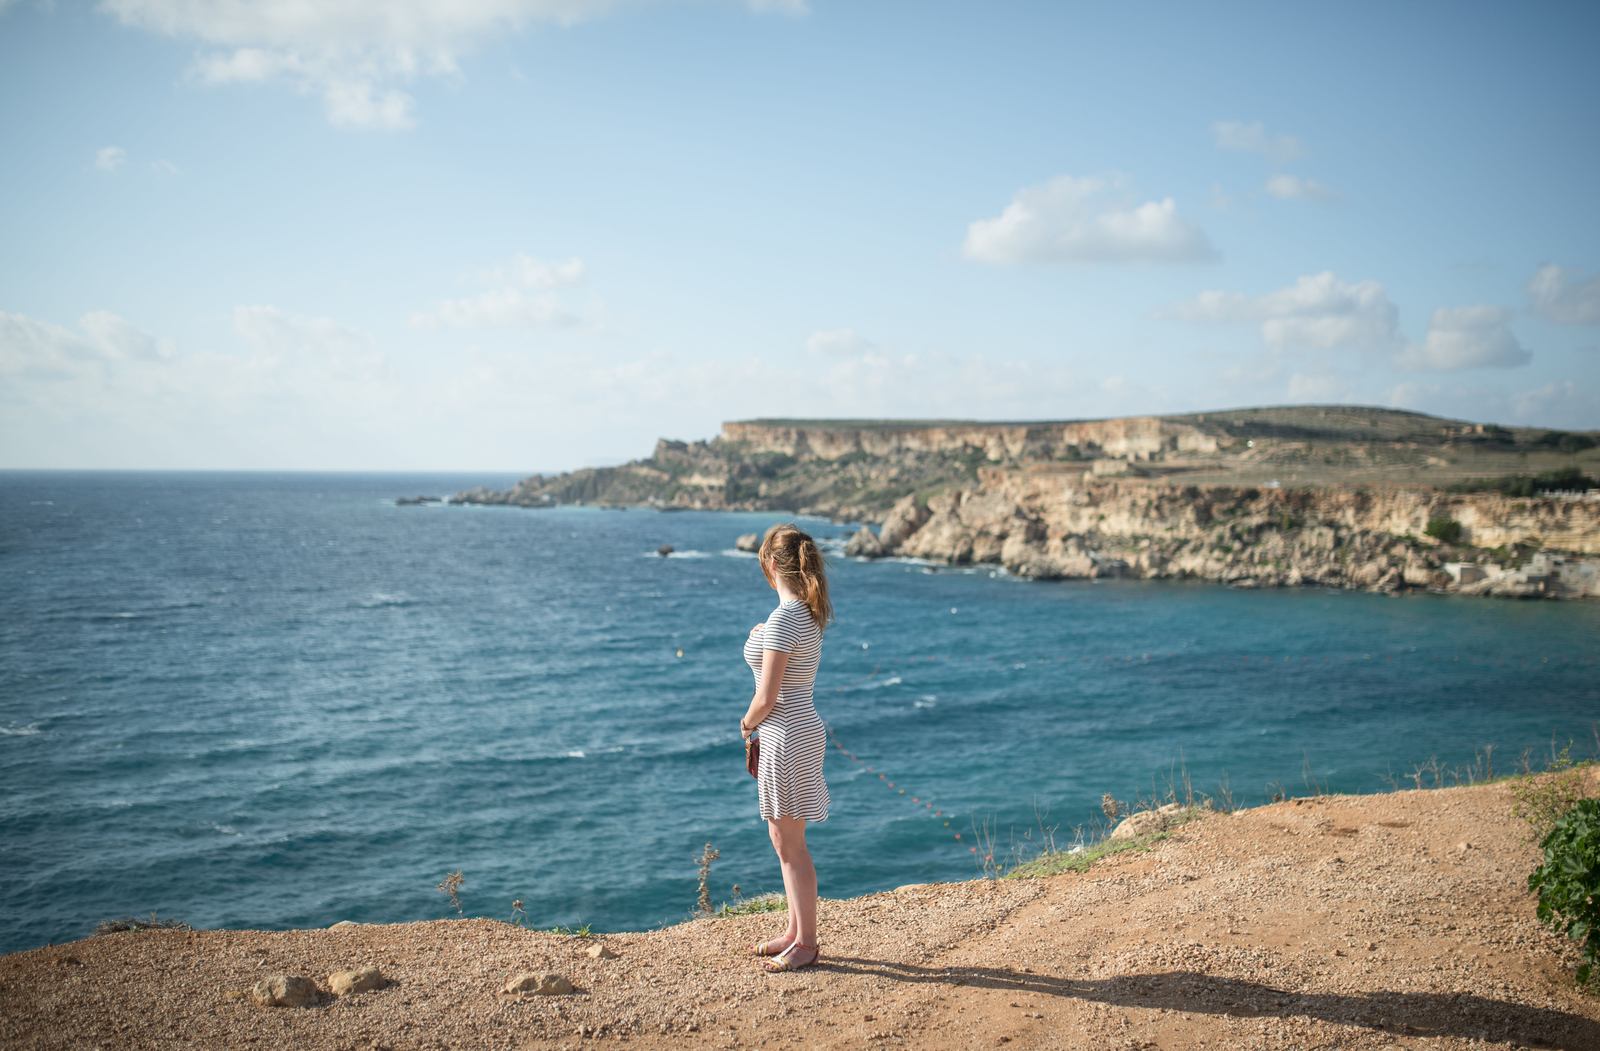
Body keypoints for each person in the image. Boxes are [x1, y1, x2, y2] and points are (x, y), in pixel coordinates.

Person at [740, 522, 832, 973]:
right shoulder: (806, 615)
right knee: (784, 839)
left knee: (791, 844)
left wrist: (745, 722)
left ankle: (807, 943)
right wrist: (762, 636)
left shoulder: (783, 619)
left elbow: (767, 696)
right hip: (799, 730)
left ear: (772, 565)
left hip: (785, 734)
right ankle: (795, 931)